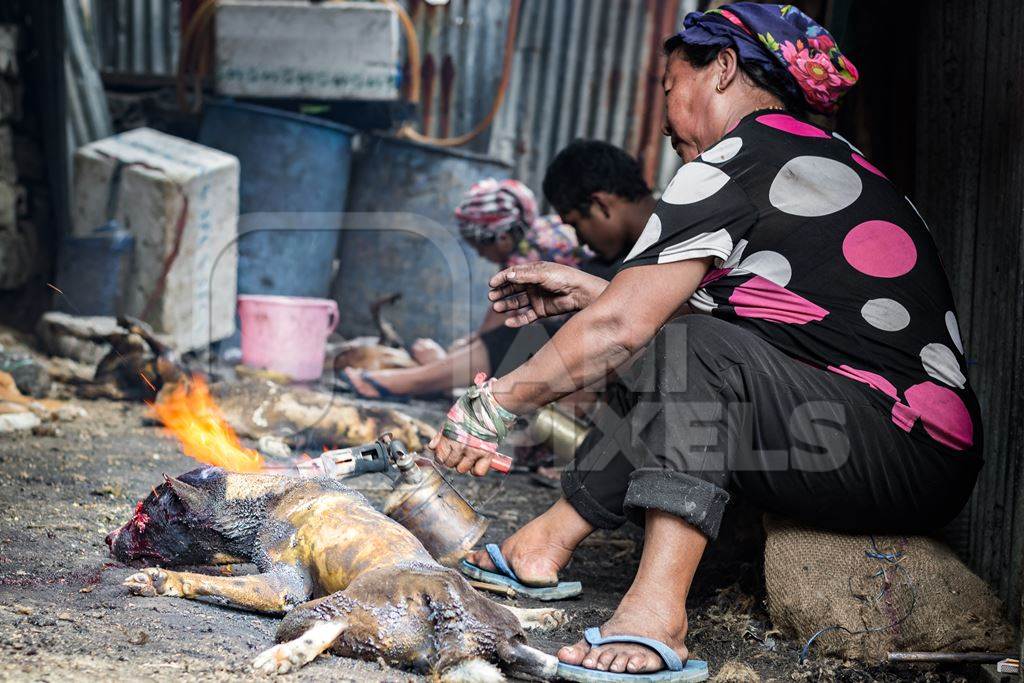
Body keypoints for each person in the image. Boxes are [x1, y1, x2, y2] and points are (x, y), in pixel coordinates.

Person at [429, 3, 981, 679]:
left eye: (668, 87)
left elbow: (641, 329)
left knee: (696, 350)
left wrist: (493, 404)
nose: (664, 119)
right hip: (891, 438)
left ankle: (657, 611)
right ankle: (541, 546)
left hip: (901, 444)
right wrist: (593, 287)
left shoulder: (736, 159)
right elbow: (760, 317)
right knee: (684, 342)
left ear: (721, 69)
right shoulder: (808, 159)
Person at [342, 142, 656, 399]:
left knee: (517, 339)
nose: (580, 239)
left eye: (575, 223)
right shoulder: (611, 257)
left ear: (600, 205)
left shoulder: (668, 246)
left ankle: (412, 381)